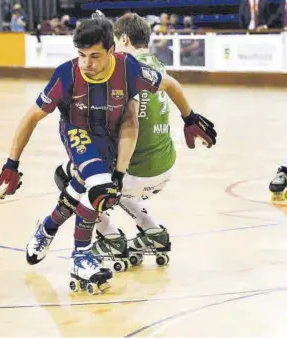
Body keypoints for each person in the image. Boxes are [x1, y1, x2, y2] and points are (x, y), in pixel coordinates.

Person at [0, 15, 215, 294]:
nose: (87, 63)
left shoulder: (129, 69)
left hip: (110, 139)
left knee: (79, 187)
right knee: (100, 188)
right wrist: (11, 165)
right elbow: (30, 118)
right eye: (82, 55)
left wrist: (190, 117)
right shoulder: (66, 74)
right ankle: (80, 258)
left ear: (112, 50)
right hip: (77, 132)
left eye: (95, 56)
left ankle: (47, 229)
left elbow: (167, 86)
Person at [55, 13, 217, 271]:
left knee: (72, 174)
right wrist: (190, 118)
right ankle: (152, 231)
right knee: (117, 171)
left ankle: (110, 238)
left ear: (124, 40)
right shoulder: (157, 67)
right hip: (166, 166)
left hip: (137, 173)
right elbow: (173, 87)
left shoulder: (123, 68)